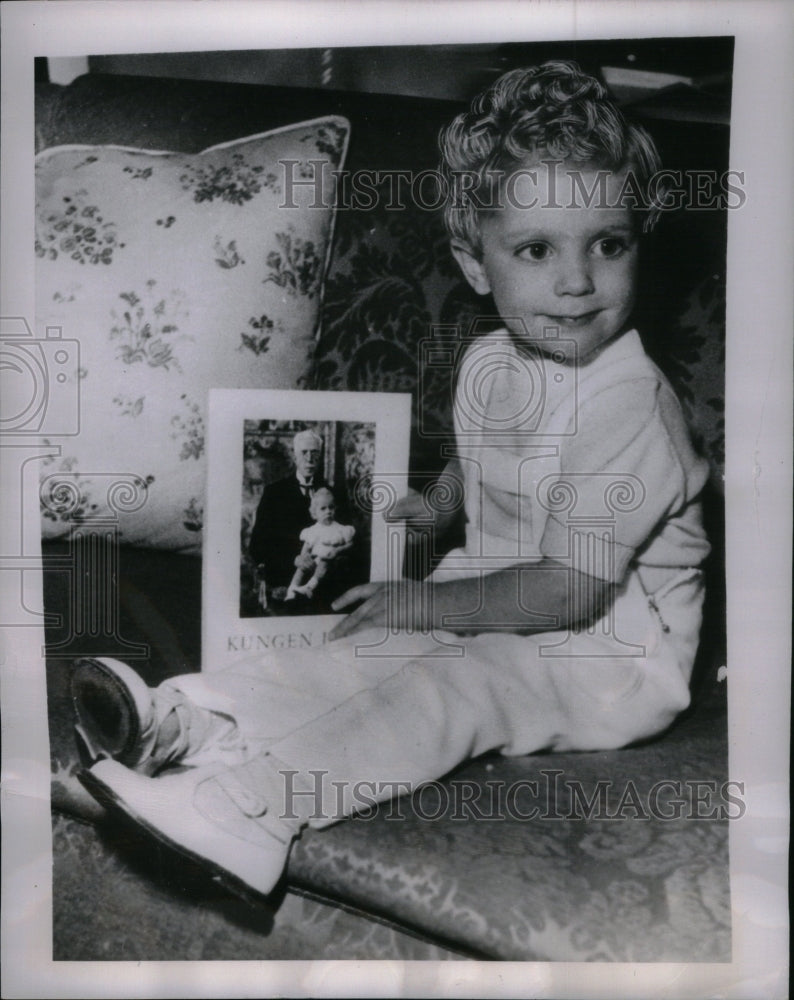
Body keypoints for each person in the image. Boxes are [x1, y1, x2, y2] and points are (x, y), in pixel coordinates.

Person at [72, 61, 711, 901]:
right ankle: (190, 722)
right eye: (536, 248)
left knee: (449, 687)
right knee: (357, 651)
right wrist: (441, 502)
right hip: (498, 595)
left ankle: (258, 809)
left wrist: (427, 605)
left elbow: (568, 591)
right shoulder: (492, 356)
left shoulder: (630, 402)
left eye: (609, 243)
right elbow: (483, 454)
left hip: (607, 654)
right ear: (476, 264)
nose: (577, 279)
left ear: (638, 244)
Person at [248, 429, 329, 601]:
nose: (309, 459)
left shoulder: (333, 493)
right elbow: (257, 546)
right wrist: (293, 559)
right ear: (294, 455)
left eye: (314, 453)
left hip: (323, 583)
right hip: (283, 580)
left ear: (320, 456)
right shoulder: (274, 493)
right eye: (304, 452)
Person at [286, 488, 355, 600]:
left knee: (324, 562)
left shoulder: (341, 529)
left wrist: (337, 550)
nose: (328, 511)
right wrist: (303, 557)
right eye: (323, 509)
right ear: (314, 513)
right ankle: (292, 589)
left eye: (331, 507)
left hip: (331, 560)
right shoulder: (312, 530)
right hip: (314, 559)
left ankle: (310, 586)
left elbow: (350, 544)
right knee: (301, 568)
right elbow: (306, 547)